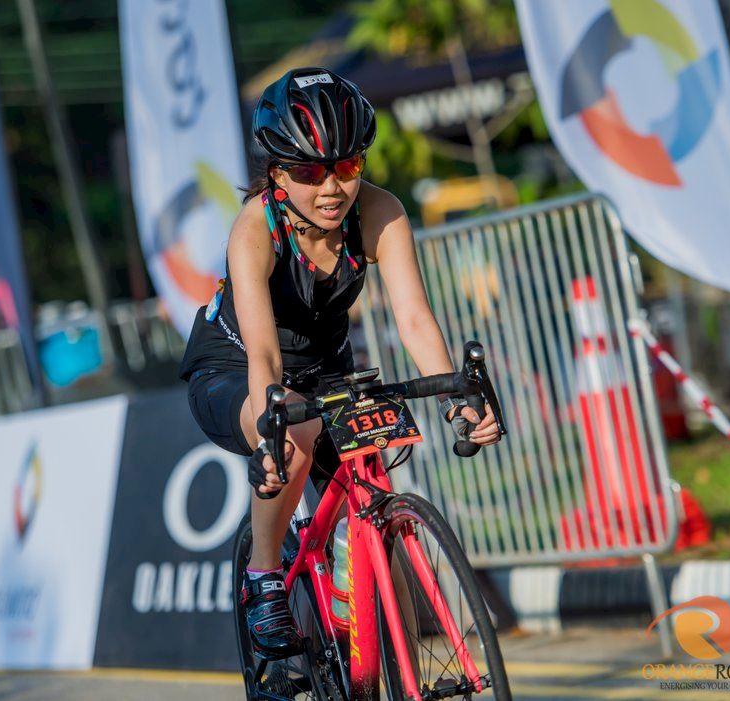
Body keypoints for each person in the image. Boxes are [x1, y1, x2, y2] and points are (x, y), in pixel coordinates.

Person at [179, 67, 501, 660]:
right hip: (235, 364)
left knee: (372, 488)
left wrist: (459, 397)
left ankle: (373, 641)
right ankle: (264, 574)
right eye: (307, 172)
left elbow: (413, 319)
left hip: (327, 364)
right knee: (296, 433)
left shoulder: (381, 212)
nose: (330, 189)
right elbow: (265, 352)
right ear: (276, 173)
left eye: (346, 167)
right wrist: (271, 437)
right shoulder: (255, 230)